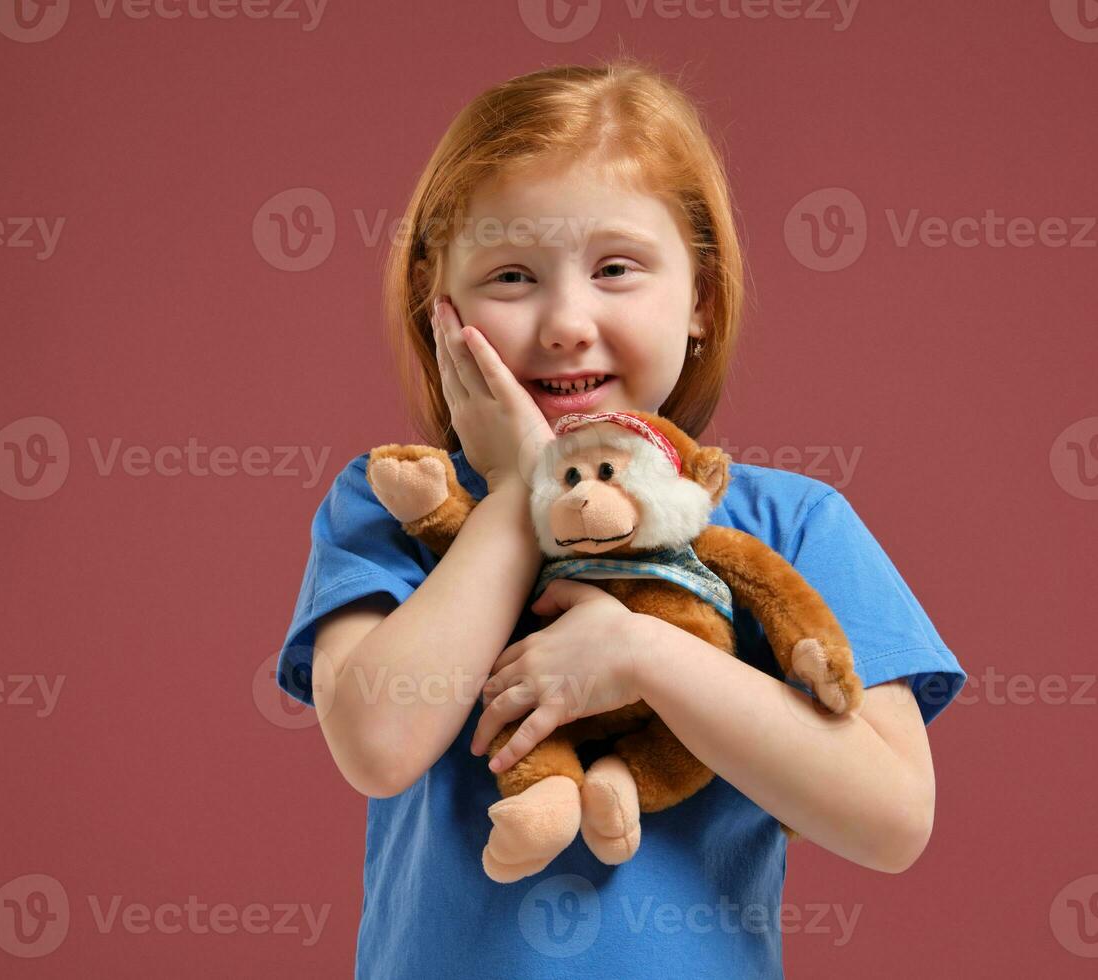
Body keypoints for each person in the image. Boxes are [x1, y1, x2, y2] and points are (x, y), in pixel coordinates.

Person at [274, 59, 966, 978]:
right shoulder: (395, 503)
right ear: (437, 310)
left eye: (616, 269)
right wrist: (522, 494)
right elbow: (377, 742)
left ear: (701, 304)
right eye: (513, 275)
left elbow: (890, 821)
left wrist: (644, 654)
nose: (566, 320)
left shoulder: (792, 522)